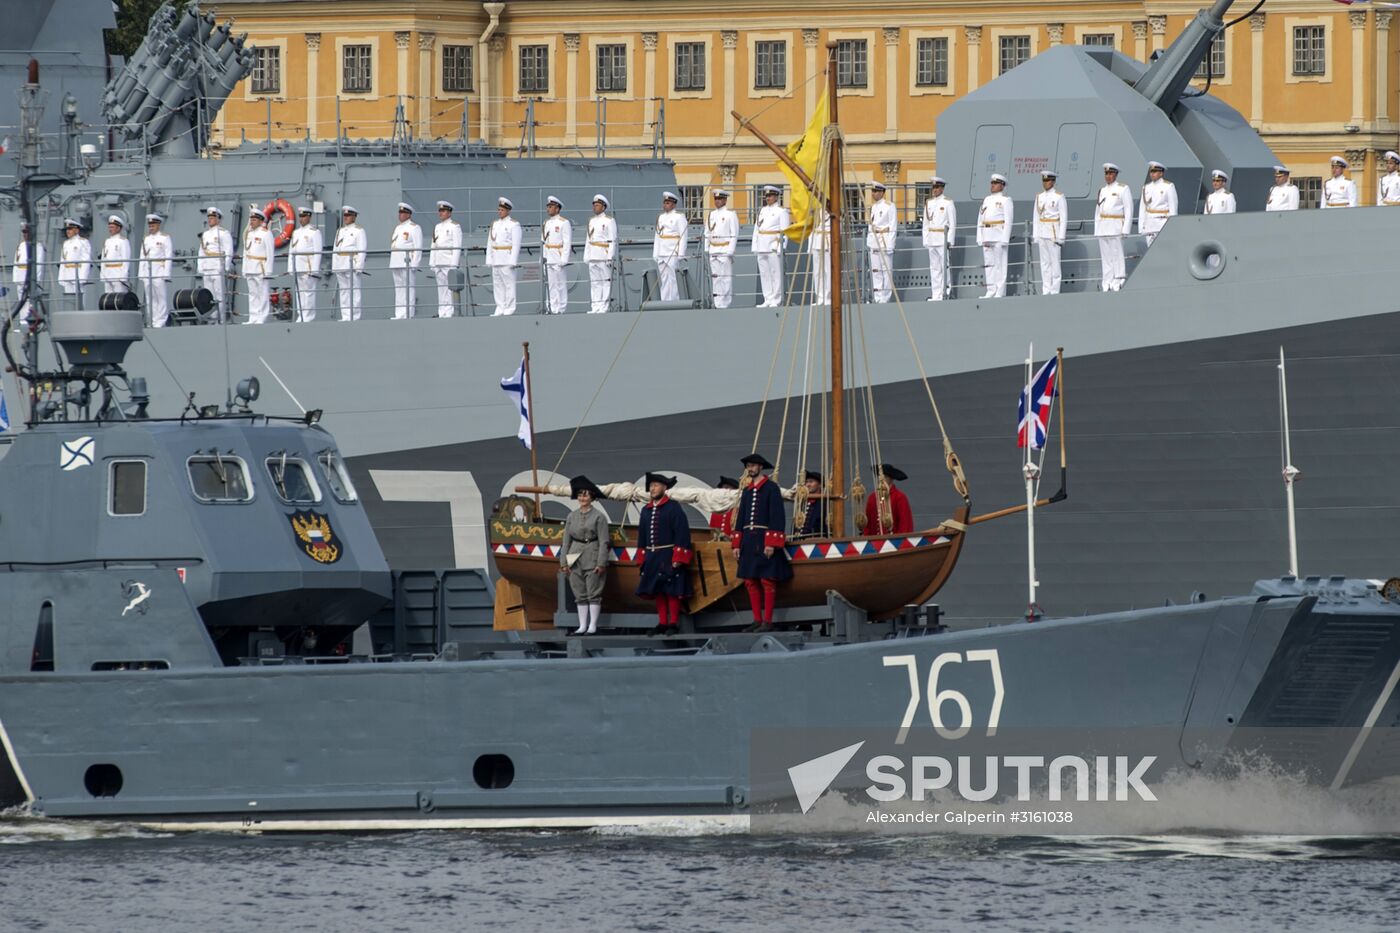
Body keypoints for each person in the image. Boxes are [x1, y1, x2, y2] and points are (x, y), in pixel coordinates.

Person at [733, 453, 792, 632]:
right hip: (748, 540)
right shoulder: (747, 491)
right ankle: (757, 620)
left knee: (767, 580)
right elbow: (740, 518)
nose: (749, 468)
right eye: (748, 466)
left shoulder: (771, 488)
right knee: (750, 580)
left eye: (752, 465)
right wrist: (736, 544)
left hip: (763, 539)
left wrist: (771, 543)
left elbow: (777, 516)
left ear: (760, 467)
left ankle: (768, 621)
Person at [635, 472, 693, 636]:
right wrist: (642, 556)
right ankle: (662, 622)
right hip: (652, 556)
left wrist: (678, 556)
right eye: (651, 486)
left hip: (668, 554)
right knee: (657, 589)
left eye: (656, 485)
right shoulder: (646, 510)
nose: (652, 489)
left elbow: (682, 532)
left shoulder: (673, 507)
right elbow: (642, 535)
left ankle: (673, 622)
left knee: (671, 589)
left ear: (664, 487)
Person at [559, 475, 610, 635]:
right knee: (579, 592)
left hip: (592, 554)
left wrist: (601, 562)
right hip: (574, 556)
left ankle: (592, 625)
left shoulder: (599, 517)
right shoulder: (571, 516)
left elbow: (604, 541)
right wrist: (563, 562)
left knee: (593, 592)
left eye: (586, 495)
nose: (582, 498)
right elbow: (565, 541)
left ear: (592, 497)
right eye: (580, 495)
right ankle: (582, 626)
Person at [1094, 163, 1132, 292]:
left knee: (1117, 255)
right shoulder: (1102, 190)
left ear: (1116, 174)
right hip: (1103, 227)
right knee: (1106, 257)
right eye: (1106, 173)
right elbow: (1098, 211)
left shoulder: (1123, 189)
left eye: (1110, 173)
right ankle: (1107, 281)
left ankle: (1118, 280)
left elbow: (1128, 209)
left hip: (1116, 226)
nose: (1108, 176)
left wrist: (1126, 229)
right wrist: (1097, 229)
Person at [976, 174, 1013, 299]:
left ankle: (1000, 292)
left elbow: (1008, 221)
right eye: (992, 183)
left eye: (996, 183)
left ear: (1002, 186)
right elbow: (980, 218)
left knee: (1000, 266)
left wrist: (1005, 239)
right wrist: (980, 237)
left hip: (998, 236)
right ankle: (990, 290)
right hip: (987, 235)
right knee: (989, 265)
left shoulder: (1006, 200)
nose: (993, 185)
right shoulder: (986, 200)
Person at [752, 185, 789, 307]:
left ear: (776, 197)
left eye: (770, 196)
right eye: (766, 196)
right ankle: (767, 298)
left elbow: (785, 231)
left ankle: (776, 299)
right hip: (762, 245)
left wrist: (781, 248)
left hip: (773, 245)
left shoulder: (781, 212)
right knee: (764, 274)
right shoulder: (762, 211)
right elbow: (757, 229)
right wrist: (755, 246)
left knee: (775, 273)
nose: (768, 198)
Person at [921, 177, 956, 302]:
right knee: (934, 268)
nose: (934, 190)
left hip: (942, 239)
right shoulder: (929, 203)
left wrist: (950, 241)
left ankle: (945, 292)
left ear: (942, 188)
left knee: (944, 267)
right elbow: (926, 224)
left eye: (937, 187)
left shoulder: (948, 203)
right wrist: (925, 240)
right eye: (933, 187)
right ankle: (936, 294)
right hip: (932, 239)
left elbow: (952, 224)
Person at [1033, 170, 1067, 295]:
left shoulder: (1059, 196)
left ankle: (1055, 289)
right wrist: (1036, 235)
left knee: (1055, 263)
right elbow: (1036, 217)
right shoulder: (1039, 197)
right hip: (1042, 232)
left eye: (1047, 180)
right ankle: (1046, 288)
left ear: (1053, 181)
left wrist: (1061, 237)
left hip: (1053, 233)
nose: (1045, 183)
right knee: (1045, 263)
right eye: (1044, 180)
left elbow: (1063, 218)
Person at [487, 196, 522, 316]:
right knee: (497, 285)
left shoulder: (514, 224)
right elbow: (490, 242)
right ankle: (500, 307)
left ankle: (509, 308)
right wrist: (489, 259)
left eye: (502, 210)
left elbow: (516, 244)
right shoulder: (495, 224)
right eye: (499, 210)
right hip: (496, 258)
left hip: (507, 259)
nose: (500, 212)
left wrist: (513, 261)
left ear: (508, 210)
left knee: (509, 285)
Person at [288, 206, 323, 322]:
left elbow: (318, 252)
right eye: (300, 216)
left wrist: (315, 270)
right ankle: (301, 315)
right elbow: (291, 251)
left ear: (309, 217)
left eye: (304, 216)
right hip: (298, 266)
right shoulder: (296, 233)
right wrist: (290, 267)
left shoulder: (314, 232)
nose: (301, 219)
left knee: (308, 293)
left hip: (308, 267)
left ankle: (308, 316)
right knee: (299, 293)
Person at [705, 189, 739, 309]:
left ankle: (725, 302)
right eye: (716, 199)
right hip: (713, 250)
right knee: (716, 278)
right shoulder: (711, 215)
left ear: (725, 200)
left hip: (724, 249)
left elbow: (734, 234)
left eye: (720, 199)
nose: (717, 201)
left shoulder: (730, 215)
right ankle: (717, 302)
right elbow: (707, 233)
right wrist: (706, 248)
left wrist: (730, 250)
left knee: (726, 278)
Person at [198, 206, 233, 321]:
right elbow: (201, 252)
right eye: (209, 218)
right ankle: (213, 317)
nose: (210, 220)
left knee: (219, 294)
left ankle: (221, 318)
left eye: (212, 218)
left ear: (218, 219)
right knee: (209, 294)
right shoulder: (205, 234)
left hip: (217, 266)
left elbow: (228, 250)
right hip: (207, 267)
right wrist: (200, 267)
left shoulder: (223, 233)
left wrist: (226, 266)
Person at [332, 206, 367, 321]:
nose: (346, 217)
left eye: (348, 215)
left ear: (354, 217)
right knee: (344, 291)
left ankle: (355, 316)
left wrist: (359, 267)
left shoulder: (359, 231)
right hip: (340, 264)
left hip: (352, 264)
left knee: (354, 291)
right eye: (345, 215)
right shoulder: (340, 231)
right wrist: (334, 266)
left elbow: (362, 250)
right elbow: (335, 249)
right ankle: (346, 316)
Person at [241, 207, 275, 324]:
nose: (252, 221)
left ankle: (262, 317)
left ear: (261, 221)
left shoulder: (266, 234)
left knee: (263, 294)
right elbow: (245, 253)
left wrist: (269, 270)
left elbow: (270, 253)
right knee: (253, 294)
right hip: (250, 267)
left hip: (261, 268)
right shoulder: (249, 234)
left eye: (254, 219)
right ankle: (253, 317)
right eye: (251, 219)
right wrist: (244, 269)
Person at [653, 191, 688, 301]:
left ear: (673, 204)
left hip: (673, 252)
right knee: (664, 279)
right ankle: (665, 301)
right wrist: (655, 253)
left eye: (668, 203)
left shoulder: (679, 217)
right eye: (664, 202)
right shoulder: (660, 217)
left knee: (674, 279)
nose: (665, 205)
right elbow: (657, 236)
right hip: (662, 253)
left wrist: (681, 253)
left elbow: (683, 236)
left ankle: (674, 301)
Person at [389, 201, 422, 319]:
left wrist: (415, 264)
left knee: (408, 288)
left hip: (407, 262)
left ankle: (408, 313)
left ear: (408, 214)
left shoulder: (414, 228)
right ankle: (399, 314)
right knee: (399, 289)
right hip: (396, 261)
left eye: (403, 212)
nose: (400, 214)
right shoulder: (398, 228)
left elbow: (418, 247)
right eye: (399, 212)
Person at [430, 200, 462, 317]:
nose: (440, 213)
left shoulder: (455, 226)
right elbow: (433, 245)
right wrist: (432, 262)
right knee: (441, 288)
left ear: (449, 212)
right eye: (440, 211)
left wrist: (454, 265)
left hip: (448, 261)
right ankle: (442, 311)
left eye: (443, 211)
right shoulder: (437, 227)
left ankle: (449, 311)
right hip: (438, 261)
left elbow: (457, 246)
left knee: (449, 289)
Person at [585, 194, 617, 314]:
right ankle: (595, 306)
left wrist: (610, 257)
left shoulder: (609, 221)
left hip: (603, 255)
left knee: (605, 282)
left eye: (597, 205)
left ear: (603, 207)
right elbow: (588, 239)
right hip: (593, 255)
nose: (595, 207)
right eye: (594, 205)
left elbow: (612, 240)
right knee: (595, 283)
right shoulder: (591, 221)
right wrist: (586, 255)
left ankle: (604, 306)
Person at [866, 180, 897, 303]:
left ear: (882, 192)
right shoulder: (873, 207)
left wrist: (891, 245)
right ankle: (877, 297)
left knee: (886, 271)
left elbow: (893, 226)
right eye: (872, 191)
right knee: (876, 271)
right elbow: (871, 226)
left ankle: (886, 297)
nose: (873, 193)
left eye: (875, 191)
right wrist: (869, 241)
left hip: (884, 240)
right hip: (874, 241)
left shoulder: (890, 206)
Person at [140, 213, 173, 326]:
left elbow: (168, 256)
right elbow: (142, 257)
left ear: (158, 225)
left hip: (159, 270)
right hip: (147, 272)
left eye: (153, 225)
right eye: (150, 225)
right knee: (150, 298)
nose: (151, 227)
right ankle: (152, 320)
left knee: (160, 297)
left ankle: (161, 321)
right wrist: (141, 274)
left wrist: (166, 274)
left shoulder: (164, 238)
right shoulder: (146, 239)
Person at [541, 195, 572, 314]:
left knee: (561, 284)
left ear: (557, 208)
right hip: (548, 257)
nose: (548, 209)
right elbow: (544, 241)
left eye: (551, 207)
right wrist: (543, 257)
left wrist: (564, 259)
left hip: (558, 256)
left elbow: (567, 242)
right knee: (551, 285)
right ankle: (552, 307)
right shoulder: (546, 223)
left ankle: (561, 308)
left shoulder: (564, 223)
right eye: (548, 207)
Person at [864, 463, 913, 536]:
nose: (881, 479)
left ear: (891, 478)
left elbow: (905, 525)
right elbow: (867, 524)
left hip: (894, 541)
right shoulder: (872, 498)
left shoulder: (900, 497)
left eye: (885, 476)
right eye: (880, 476)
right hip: (874, 541)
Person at [1138, 161, 1177, 246]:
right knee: (1150, 250)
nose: (1152, 174)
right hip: (1149, 225)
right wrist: (1141, 227)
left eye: (1155, 172)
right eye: (1151, 171)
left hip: (1162, 224)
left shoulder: (1168, 186)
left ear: (1161, 173)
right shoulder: (1146, 187)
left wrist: (1172, 227)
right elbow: (1142, 209)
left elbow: (1173, 209)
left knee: (1163, 248)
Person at [58, 218, 92, 309]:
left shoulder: (83, 242)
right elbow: (63, 261)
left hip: (77, 275)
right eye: (67, 229)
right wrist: (61, 277)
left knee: (79, 300)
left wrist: (83, 278)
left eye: (70, 229)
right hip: (67, 275)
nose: (67, 231)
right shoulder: (66, 243)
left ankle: (80, 314)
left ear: (76, 230)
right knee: (69, 300)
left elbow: (86, 261)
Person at [100, 216, 131, 299]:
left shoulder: (123, 241)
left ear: (118, 228)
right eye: (109, 227)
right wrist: (103, 274)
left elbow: (126, 259)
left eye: (112, 227)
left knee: (119, 298)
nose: (110, 229)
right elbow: (103, 258)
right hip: (107, 273)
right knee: (108, 298)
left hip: (118, 273)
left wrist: (123, 276)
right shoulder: (107, 241)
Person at [808, 207, 832, 305]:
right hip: (816, 241)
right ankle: (819, 297)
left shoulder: (832, 208)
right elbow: (811, 227)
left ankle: (828, 297)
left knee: (828, 271)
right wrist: (810, 246)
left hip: (828, 242)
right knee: (817, 272)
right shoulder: (815, 208)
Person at [795, 470, 828, 538]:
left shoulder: (825, 503)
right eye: (806, 482)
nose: (807, 485)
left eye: (811, 482)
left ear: (820, 485)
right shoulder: (803, 503)